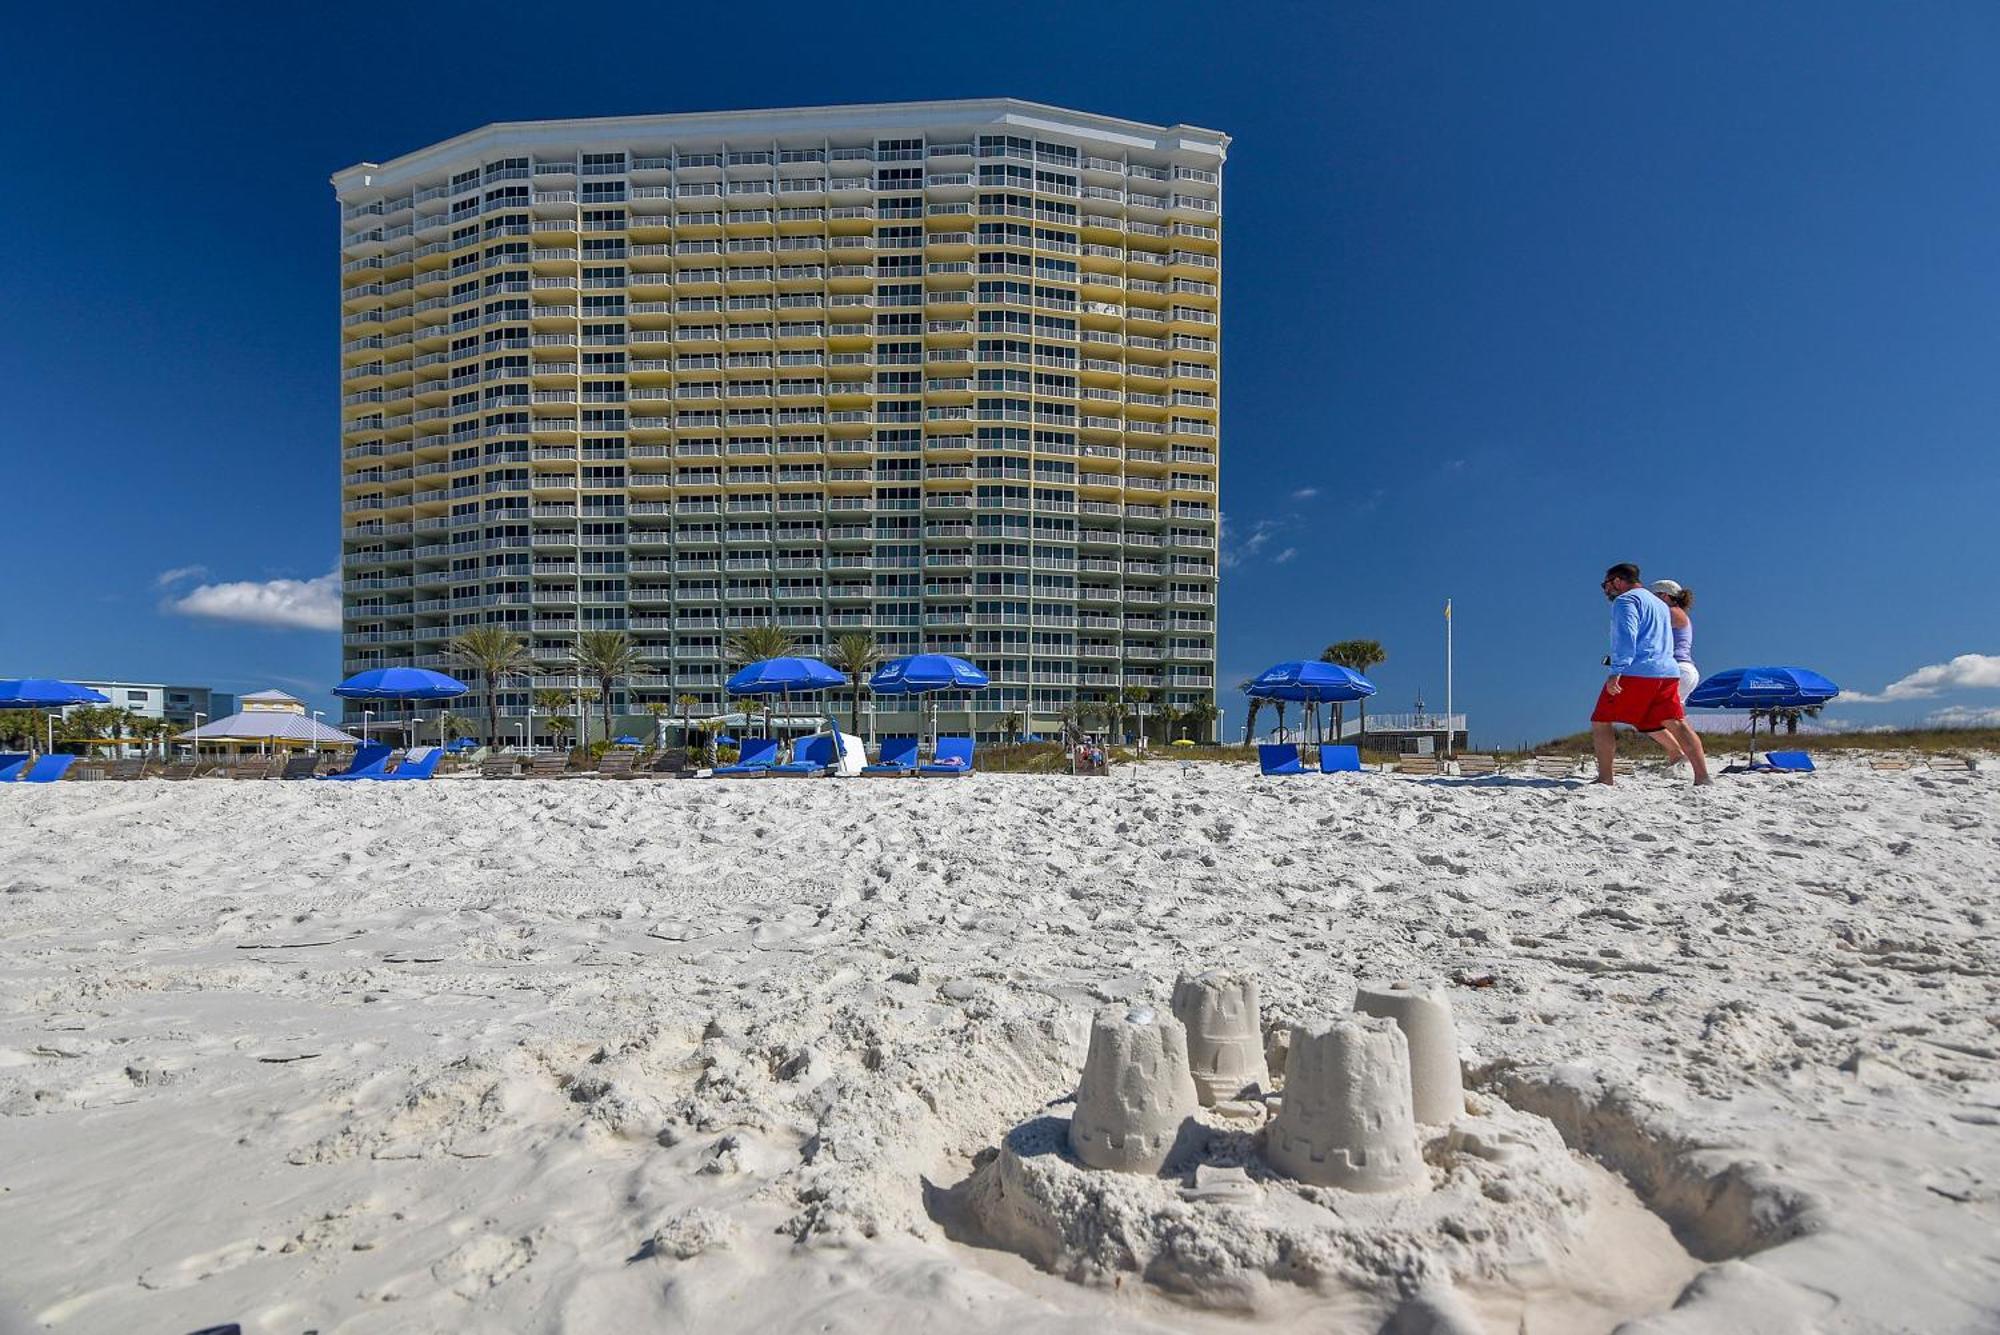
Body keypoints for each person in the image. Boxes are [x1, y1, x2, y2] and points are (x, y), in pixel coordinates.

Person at [1591, 563, 1710, 786]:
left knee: (1601, 720)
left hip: (1639, 671)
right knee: (1677, 722)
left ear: (1617, 581)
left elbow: (1627, 637)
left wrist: (1616, 670)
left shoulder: (1626, 601)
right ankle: (1703, 777)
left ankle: (1605, 778)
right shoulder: (1661, 605)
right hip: (1668, 671)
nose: (1605, 590)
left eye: (1605, 585)